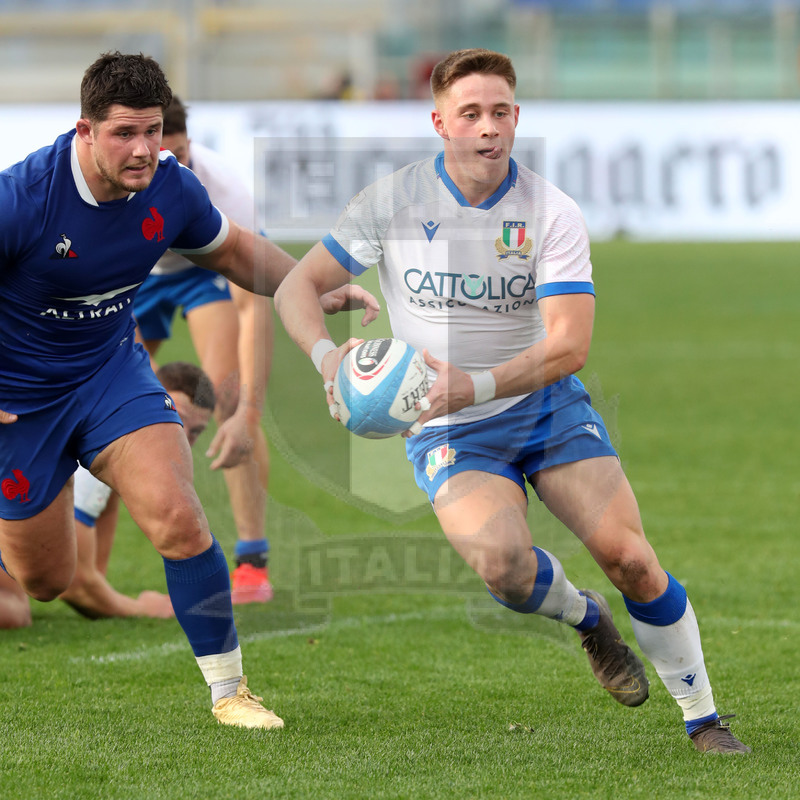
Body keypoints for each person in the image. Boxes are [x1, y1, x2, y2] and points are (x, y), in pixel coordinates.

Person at [274, 48, 750, 754]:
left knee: (631, 558)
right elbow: (295, 287)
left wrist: (476, 383)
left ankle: (704, 718)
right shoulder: (393, 202)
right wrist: (326, 362)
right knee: (502, 565)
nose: (487, 127)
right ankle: (587, 620)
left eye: (500, 112)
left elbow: (570, 346)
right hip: (449, 429)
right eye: (470, 113)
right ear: (439, 122)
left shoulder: (550, 212)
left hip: (545, 404)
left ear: (517, 118)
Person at [0, 51, 377, 728]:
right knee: (46, 581)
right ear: (84, 131)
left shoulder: (172, 188)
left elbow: (234, 253)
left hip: (109, 373)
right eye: (124, 133)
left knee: (178, 515)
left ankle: (229, 692)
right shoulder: (22, 199)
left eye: (152, 131)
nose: (144, 149)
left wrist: (314, 284)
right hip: (20, 401)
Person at [134, 96, 273, 604]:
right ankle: (84, 567)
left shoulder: (225, 191)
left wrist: (250, 411)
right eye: (156, 159)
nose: (168, 170)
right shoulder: (112, 175)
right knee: (101, 407)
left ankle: (252, 565)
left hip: (201, 271)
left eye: (178, 157)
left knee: (229, 401)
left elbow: (252, 305)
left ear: (187, 146)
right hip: (132, 277)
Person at [0, 361, 214, 627]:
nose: (182, 434)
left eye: (196, 432)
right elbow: (76, 585)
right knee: (13, 610)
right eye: (175, 415)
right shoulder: (111, 436)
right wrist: (142, 608)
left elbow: (93, 574)